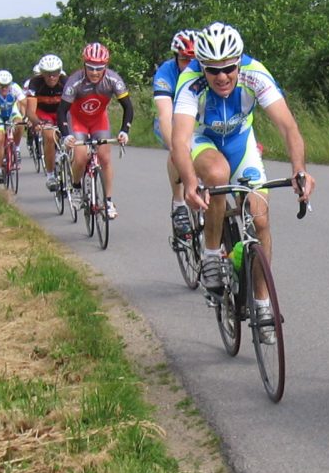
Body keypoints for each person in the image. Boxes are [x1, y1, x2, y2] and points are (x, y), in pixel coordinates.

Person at [170, 22, 315, 341]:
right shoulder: (190, 81)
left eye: (229, 68)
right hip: (204, 142)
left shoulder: (255, 74)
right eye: (213, 70)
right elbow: (179, 141)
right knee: (218, 175)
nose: (222, 77)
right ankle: (210, 255)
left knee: (260, 219)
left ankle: (262, 302)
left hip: (240, 142)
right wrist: (191, 182)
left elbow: (289, 127)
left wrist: (299, 170)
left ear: (239, 61)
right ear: (202, 67)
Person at [56, 42, 135, 219]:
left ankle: (108, 201)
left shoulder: (113, 79)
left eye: (99, 68)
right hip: (77, 121)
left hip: (98, 120)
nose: (94, 72)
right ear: (84, 65)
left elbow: (128, 108)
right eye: (90, 68)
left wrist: (124, 131)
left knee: (105, 158)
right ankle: (76, 187)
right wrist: (66, 135)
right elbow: (61, 111)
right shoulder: (75, 81)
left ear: (105, 66)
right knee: (80, 156)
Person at [152, 30, 198, 236]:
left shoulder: (207, 71)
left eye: (194, 59)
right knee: (178, 149)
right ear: (175, 58)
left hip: (197, 120)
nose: (189, 65)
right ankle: (179, 204)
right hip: (171, 120)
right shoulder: (166, 72)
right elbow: (164, 114)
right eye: (184, 59)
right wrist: (176, 148)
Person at [23, 54, 67, 190]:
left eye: (55, 73)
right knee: (49, 135)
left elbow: (74, 106)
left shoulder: (66, 81)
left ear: (60, 72)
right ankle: (50, 175)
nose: (51, 77)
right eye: (47, 74)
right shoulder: (35, 83)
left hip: (61, 112)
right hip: (44, 113)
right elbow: (30, 111)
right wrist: (38, 123)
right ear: (42, 73)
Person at [0, 70, 27, 183]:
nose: (4, 88)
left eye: (6, 85)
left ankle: (16, 148)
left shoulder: (15, 88)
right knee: (0, 138)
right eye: (1, 86)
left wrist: (28, 116)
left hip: (12, 112)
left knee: (20, 123)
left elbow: (25, 103)